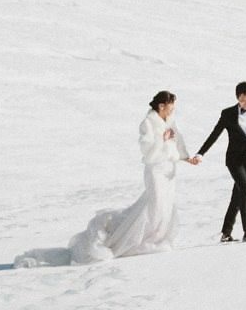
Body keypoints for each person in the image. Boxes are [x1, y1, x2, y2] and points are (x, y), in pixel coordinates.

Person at [21, 91, 200, 267]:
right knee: (154, 205)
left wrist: (186, 157)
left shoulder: (169, 120)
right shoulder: (148, 123)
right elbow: (146, 150)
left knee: (165, 206)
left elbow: (179, 141)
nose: (173, 109)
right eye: (171, 105)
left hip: (169, 170)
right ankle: (130, 239)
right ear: (162, 106)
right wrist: (162, 139)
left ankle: (156, 238)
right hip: (155, 170)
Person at [197, 82, 246, 242]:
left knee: (238, 195)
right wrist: (201, 153)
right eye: (243, 100)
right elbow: (214, 134)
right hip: (234, 160)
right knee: (245, 191)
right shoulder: (228, 114)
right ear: (237, 98)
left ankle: (226, 233)